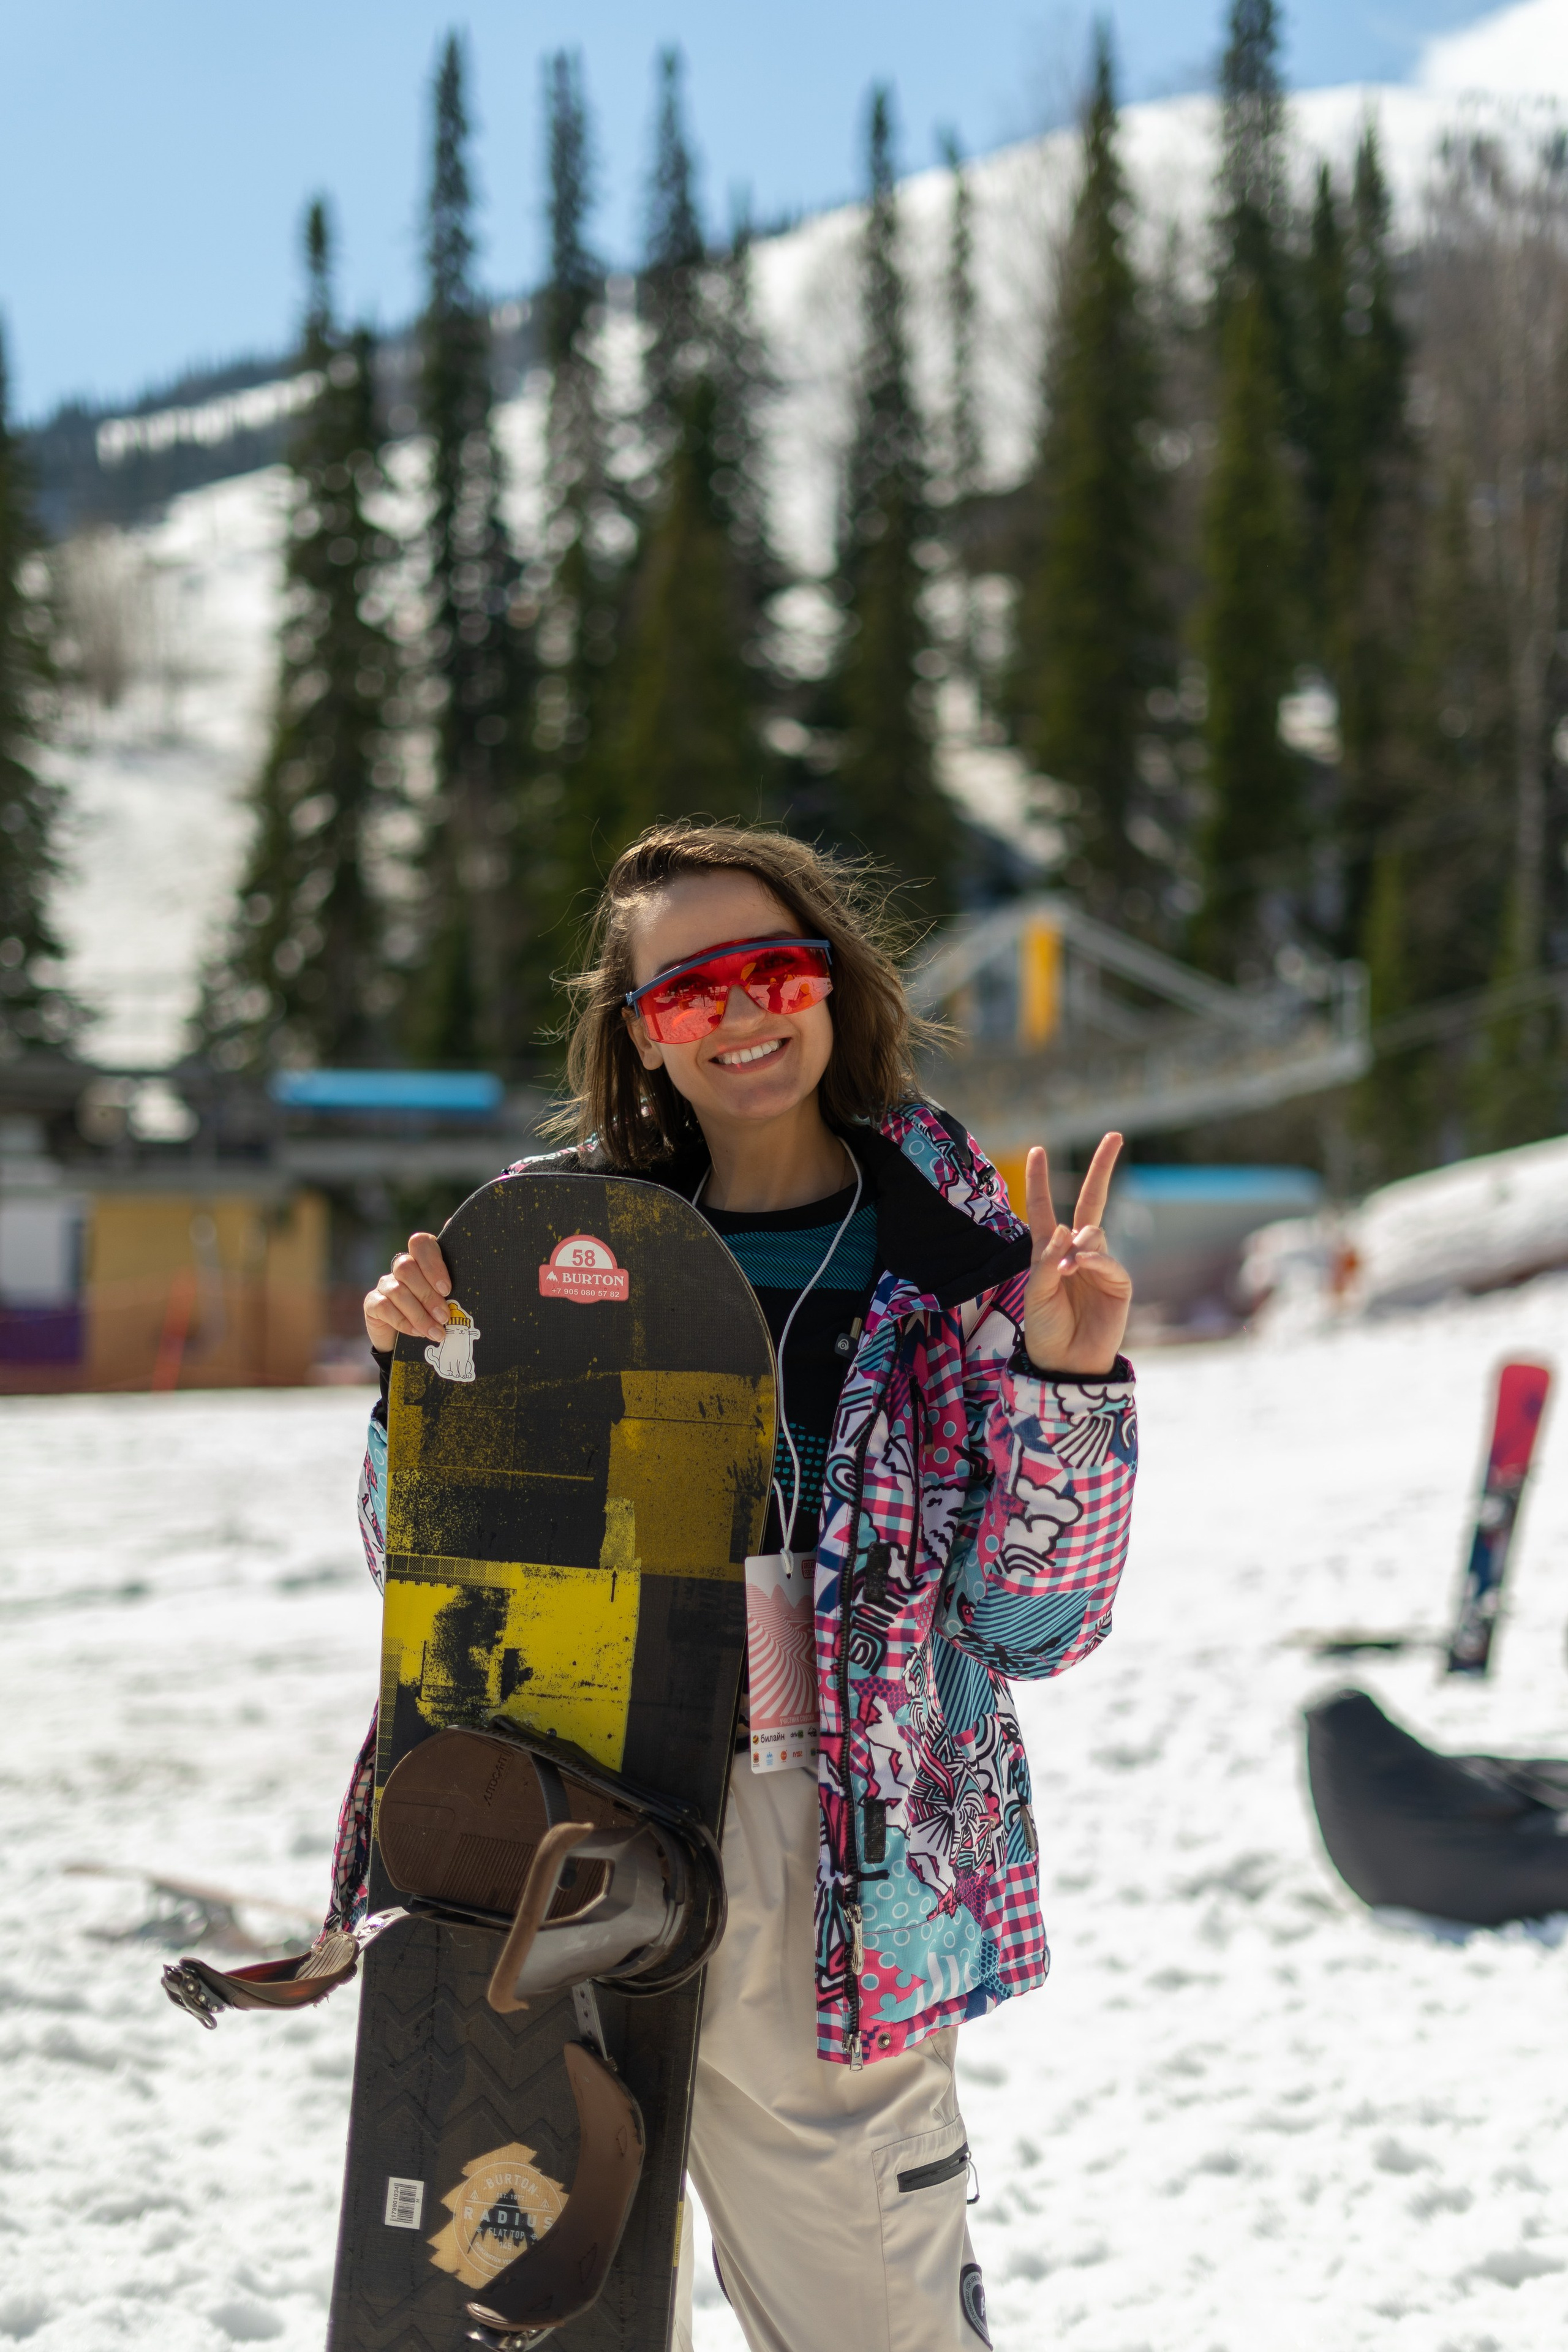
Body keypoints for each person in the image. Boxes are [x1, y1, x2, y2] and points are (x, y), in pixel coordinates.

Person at [347, 820, 1137, 2352]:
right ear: (638, 1031)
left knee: (864, 2315)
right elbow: (429, 1586)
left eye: (773, 968)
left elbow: (1035, 1627)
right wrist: (412, 1395)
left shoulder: (956, 1250)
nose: (741, 1013)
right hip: (557, 1811)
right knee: (522, 2301)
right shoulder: (547, 1241)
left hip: (826, 1846)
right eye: (688, 990)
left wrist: (1066, 1373)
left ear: (833, 986)